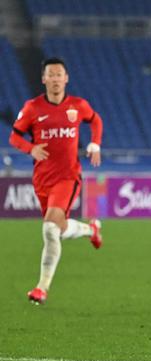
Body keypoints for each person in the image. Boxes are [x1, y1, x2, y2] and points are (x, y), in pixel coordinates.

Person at [9, 57, 104, 305]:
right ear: (44, 79)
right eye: (50, 74)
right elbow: (14, 137)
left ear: (66, 78)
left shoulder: (78, 106)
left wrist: (95, 144)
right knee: (57, 228)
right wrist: (31, 148)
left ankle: (41, 288)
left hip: (68, 177)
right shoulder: (32, 108)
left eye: (59, 74)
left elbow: (95, 120)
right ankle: (90, 229)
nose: (55, 79)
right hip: (42, 179)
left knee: (50, 228)